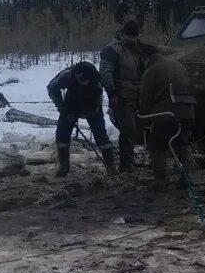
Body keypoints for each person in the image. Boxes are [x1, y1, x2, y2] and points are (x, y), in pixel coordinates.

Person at [46, 60, 116, 176]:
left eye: (84, 79)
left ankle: (111, 166)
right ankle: (63, 166)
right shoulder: (66, 76)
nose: (81, 81)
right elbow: (51, 88)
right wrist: (62, 108)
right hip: (70, 104)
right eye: (78, 79)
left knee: (100, 135)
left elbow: (98, 101)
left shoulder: (97, 80)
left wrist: (92, 112)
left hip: (91, 105)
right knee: (62, 133)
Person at [99, 19, 151, 172]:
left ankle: (129, 159)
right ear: (122, 35)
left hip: (138, 95)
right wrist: (112, 93)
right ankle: (125, 163)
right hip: (122, 95)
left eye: (134, 37)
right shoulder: (112, 50)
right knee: (128, 128)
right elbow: (105, 73)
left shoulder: (138, 50)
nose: (131, 40)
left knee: (137, 129)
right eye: (129, 36)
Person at [138, 53, 196, 189]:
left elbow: (146, 97)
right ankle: (187, 177)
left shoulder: (151, 71)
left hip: (166, 113)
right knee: (181, 142)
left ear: (147, 60)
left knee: (157, 145)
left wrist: (144, 117)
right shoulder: (179, 66)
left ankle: (160, 180)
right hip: (187, 112)